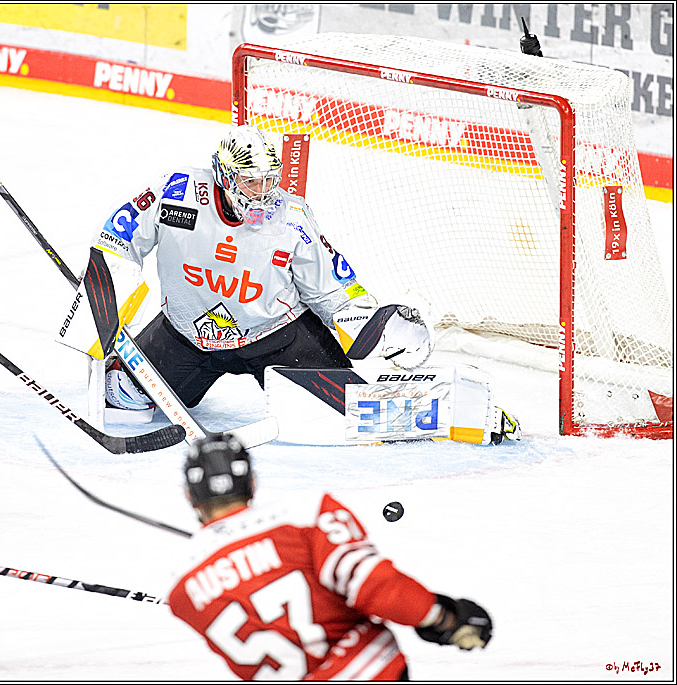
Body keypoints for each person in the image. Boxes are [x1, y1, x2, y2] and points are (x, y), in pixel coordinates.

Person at [90, 124, 433, 412]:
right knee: (124, 394)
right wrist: (111, 289)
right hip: (186, 336)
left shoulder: (292, 219)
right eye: (251, 182)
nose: (262, 192)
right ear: (224, 175)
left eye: (269, 180)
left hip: (277, 336)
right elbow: (117, 238)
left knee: (347, 409)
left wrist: (374, 327)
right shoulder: (177, 193)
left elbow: (332, 289)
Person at [167, 433, 493, 680]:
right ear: (251, 482)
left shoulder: (182, 584)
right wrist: (442, 618)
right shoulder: (304, 517)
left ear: (189, 496)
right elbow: (374, 587)